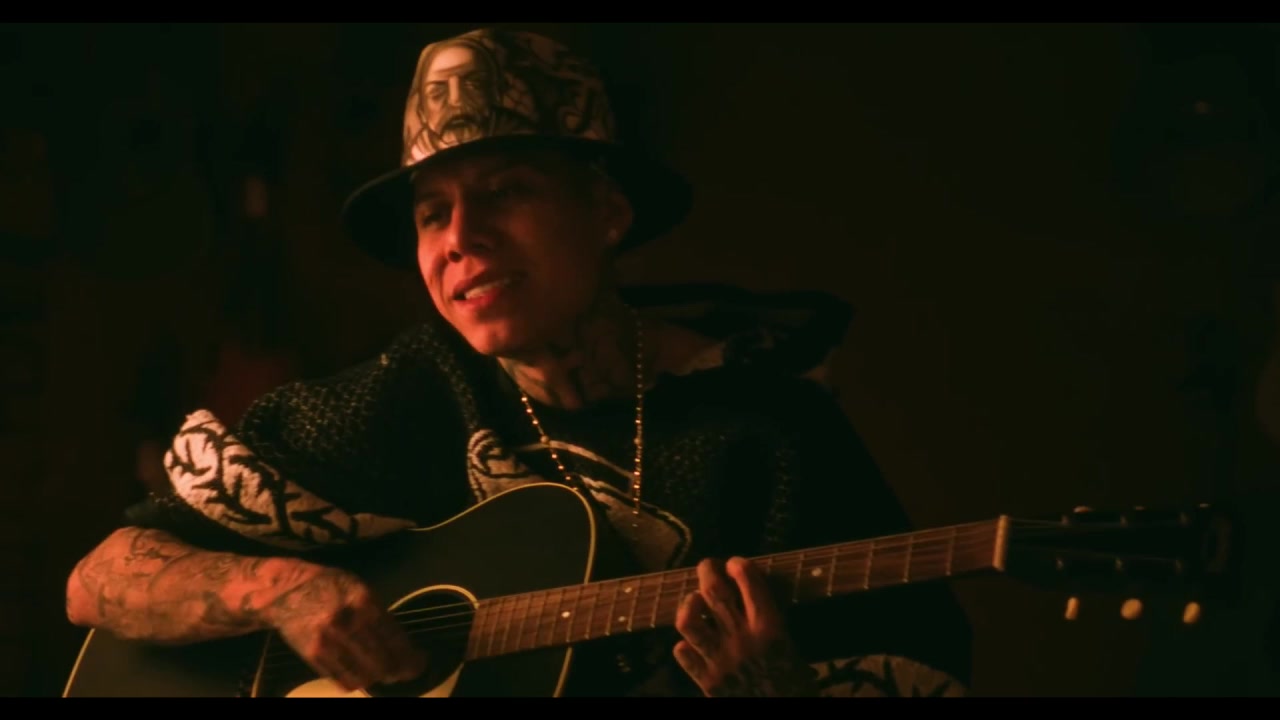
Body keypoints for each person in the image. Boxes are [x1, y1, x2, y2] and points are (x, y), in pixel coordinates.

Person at [64, 27, 973, 698]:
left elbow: (921, 665)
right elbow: (99, 579)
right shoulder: (414, 389)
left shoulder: (772, 433)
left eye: (505, 192)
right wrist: (280, 588)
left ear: (606, 212)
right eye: (432, 213)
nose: (461, 237)